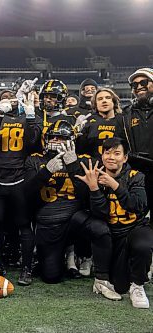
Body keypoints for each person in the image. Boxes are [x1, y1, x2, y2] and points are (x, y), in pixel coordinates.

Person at [24, 120, 111, 284]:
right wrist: (46, 172)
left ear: (72, 140)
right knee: (51, 277)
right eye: (53, 137)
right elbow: (26, 193)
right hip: (49, 221)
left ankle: (97, 269)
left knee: (100, 228)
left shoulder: (83, 160)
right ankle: (62, 255)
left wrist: (73, 166)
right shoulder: (35, 160)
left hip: (75, 218)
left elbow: (85, 196)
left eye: (61, 138)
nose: (56, 141)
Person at [76, 137, 153, 308]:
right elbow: (100, 213)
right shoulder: (94, 175)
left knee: (144, 245)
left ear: (125, 157)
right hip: (111, 232)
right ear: (102, 156)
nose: (111, 157)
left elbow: (138, 206)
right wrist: (94, 189)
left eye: (117, 153)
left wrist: (115, 185)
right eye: (107, 153)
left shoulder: (136, 176)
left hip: (133, 227)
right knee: (119, 285)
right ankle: (99, 275)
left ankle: (138, 285)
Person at [0, 87, 42, 286]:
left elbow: (34, 143)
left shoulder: (26, 118)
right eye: (4, 98)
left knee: (24, 224)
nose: (9, 100)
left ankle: (26, 267)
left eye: (11, 97)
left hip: (19, 176)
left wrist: (32, 114)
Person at [120, 68, 153, 213]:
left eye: (144, 82)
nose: (139, 86)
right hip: (138, 174)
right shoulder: (126, 113)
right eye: (134, 85)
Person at [77, 88, 125, 158]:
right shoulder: (87, 122)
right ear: (95, 104)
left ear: (114, 102)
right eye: (100, 99)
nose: (104, 101)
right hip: (93, 166)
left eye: (108, 98)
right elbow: (80, 149)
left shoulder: (124, 120)